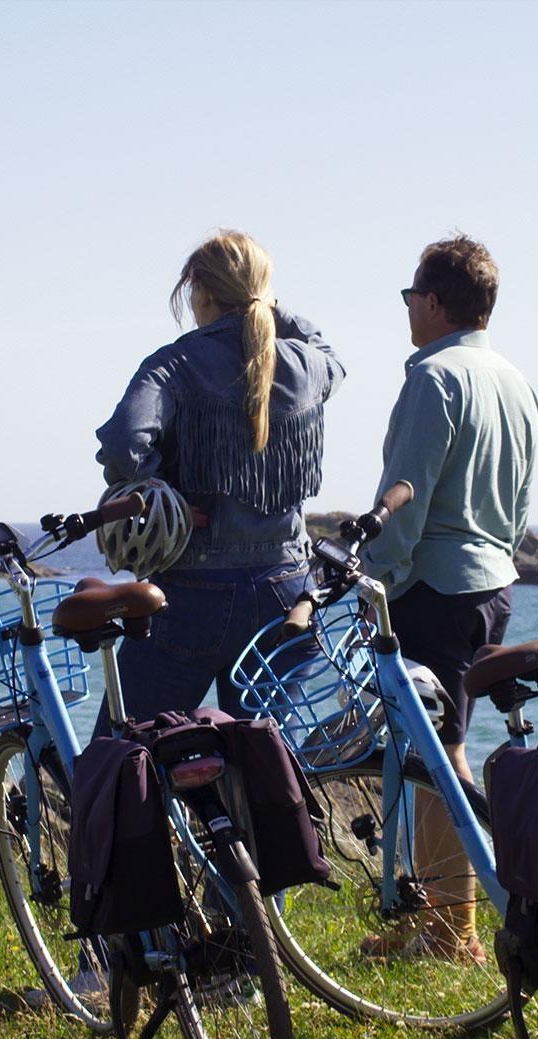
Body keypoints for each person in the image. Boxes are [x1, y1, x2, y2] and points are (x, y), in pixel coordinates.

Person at [360, 234, 538, 961]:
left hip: (433, 586)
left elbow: (406, 497)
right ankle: (439, 918)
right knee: (444, 746)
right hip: (493, 581)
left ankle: (450, 931)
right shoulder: (515, 381)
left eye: (411, 296)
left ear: (434, 303)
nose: (407, 309)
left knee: (438, 758)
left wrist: (376, 579)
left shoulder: (434, 378)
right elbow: (520, 502)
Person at [95, 229, 345, 730]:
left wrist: (161, 494)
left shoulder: (174, 364)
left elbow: (123, 443)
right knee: (267, 759)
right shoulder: (305, 365)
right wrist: (270, 308)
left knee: (127, 750)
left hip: (192, 590)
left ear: (203, 292)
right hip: (285, 587)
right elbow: (331, 356)